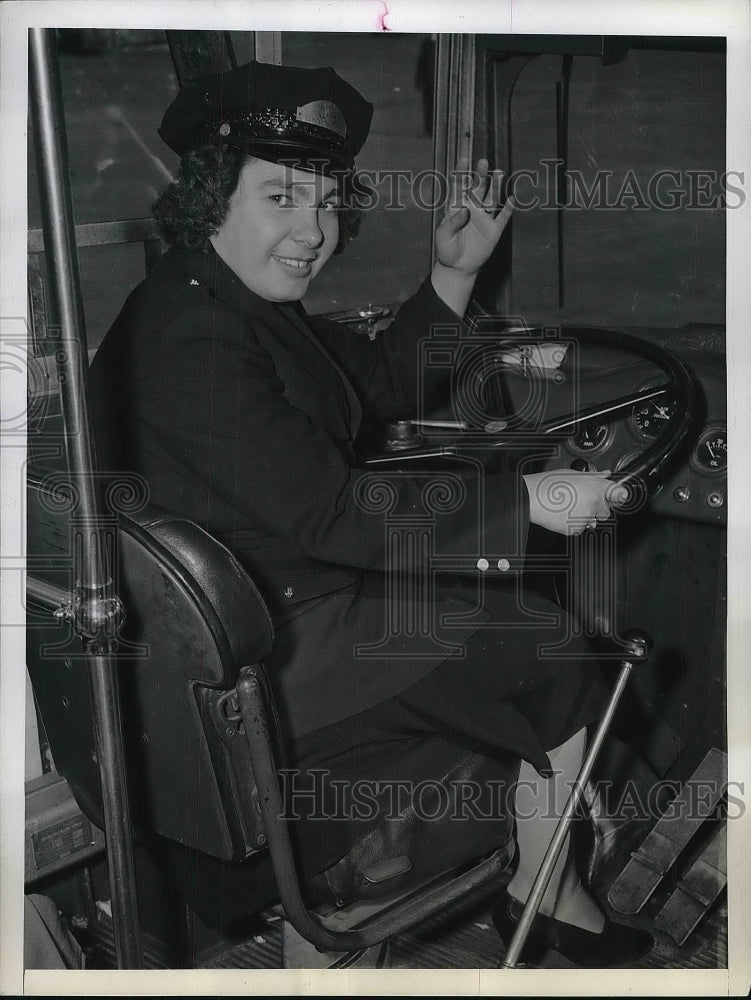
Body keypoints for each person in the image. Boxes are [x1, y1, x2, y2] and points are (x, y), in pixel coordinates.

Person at [89, 59, 652, 967]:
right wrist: (528, 497)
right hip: (269, 658)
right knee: (551, 652)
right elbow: (332, 515)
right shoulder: (189, 337)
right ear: (208, 199)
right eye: (282, 197)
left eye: (324, 203)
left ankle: (531, 885)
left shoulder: (229, 305)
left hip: (281, 621)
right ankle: (543, 891)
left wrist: (450, 274)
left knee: (512, 618)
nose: (313, 231)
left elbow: (372, 388)